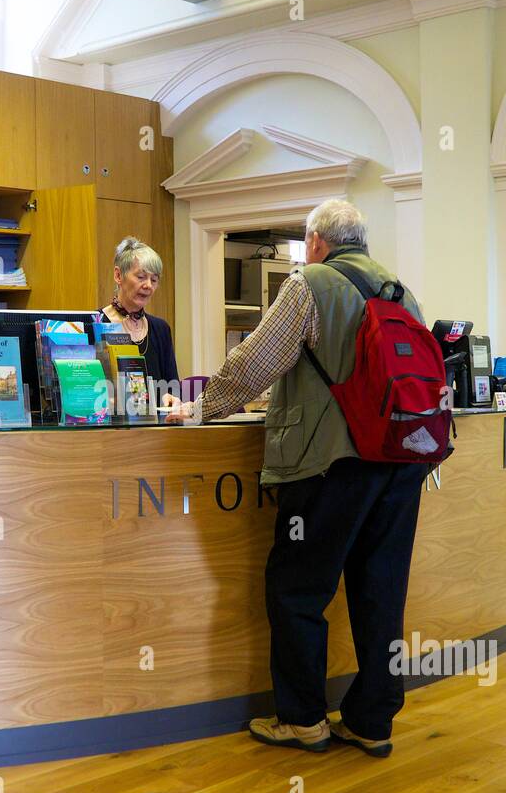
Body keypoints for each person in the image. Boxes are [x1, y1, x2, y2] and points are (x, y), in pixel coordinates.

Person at [171, 199, 429, 758]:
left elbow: (256, 362)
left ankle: (303, 718)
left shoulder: (309, 283)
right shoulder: (399, 291)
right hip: (400, 462)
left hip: (328, 466)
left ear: (316, 241)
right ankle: (371, 720)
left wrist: (201, 408)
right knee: (381, 594)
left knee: (297, 589)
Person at [100, 237, 181, 407]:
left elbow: (172, 387)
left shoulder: (160, 329)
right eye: (141, 277)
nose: (148, 286)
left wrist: (173, 399)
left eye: (154, 279)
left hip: (155, 428)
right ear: (118, 275)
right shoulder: (96, 323)